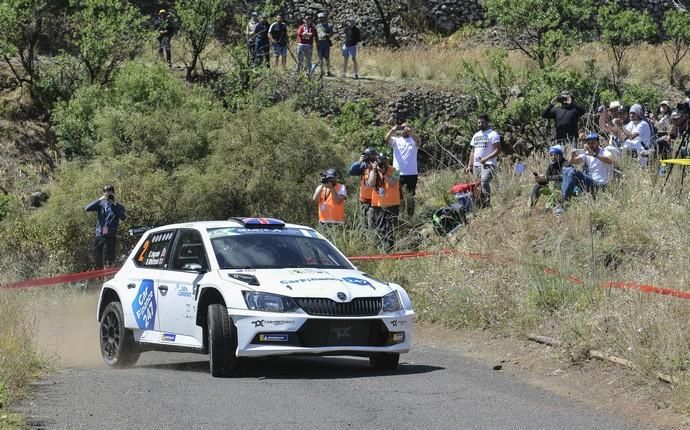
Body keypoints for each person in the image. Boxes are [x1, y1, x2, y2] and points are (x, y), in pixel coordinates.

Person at [556, 133, 614, 213]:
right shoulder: (587, 154)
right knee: (568, 170)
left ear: (598, 143)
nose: (591, 145)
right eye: (589, 143)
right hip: (593, 183)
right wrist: (573, 155)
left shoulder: (605, 152)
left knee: (574, 172)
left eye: (593, 143)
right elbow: (572, 161)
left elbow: (610, 160)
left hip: (602, 185)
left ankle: (564, 202)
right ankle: (563, 201)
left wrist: (594, 155)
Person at [85, 185, 126, 268]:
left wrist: (114, 205)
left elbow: (123, 217)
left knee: (109, 260)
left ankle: (108, 277)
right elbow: (87, 208)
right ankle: (99, 279)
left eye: (110, 192)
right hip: (100, 236)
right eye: (106, 192)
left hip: (110, 236)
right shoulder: (101, 204)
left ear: (114, 193)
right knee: (97, 259)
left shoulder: (118, 206)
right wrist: (101, 198)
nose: (108, 194)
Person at [386, 122, 422, 217]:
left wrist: (411, 133)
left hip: (411, 172)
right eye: (402, 128)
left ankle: (410, 216)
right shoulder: (396, 140)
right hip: (396, 172)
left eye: (406, 128)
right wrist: (392, 130)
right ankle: (400, 216)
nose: (404, 130)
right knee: (398, 196)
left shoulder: (413, 140)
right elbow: (386, 139)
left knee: (410, 196)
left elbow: (418, 141)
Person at [465, 114, 501, 208]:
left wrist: (486, 159)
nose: (480, 124)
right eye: (479, 122)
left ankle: (487, 204)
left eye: (482, 122)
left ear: (487, 123)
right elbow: (472, 151)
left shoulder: (493, 134)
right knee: (477, 185)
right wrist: (469, 165)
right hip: (476, 165)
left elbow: (498, 150)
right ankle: (481, 205)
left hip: (488, 164)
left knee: (484, 181)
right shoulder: (476, 135)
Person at [367, 153, 400, 252]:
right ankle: (380, 250)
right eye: (380, 162)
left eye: (384, 162)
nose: (382, 164)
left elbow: (393, 182)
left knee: (390, 230)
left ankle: (389, 251)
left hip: (392, 205)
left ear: (387, 161)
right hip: (378, 205)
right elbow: (370, 184)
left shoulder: (395, 170)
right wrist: (374, 170)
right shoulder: (373, 171)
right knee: (379, 229)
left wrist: (384, 173)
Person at [348, 147, 377, 226]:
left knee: (372, 224)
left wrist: (374, 167)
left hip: (374, 201)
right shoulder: (363, 166)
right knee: (363, 224)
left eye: (370, 155)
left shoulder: (377, 166)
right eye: (367, 155)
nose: (368, 157)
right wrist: (359, 162)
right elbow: (351, 172)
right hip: (363, 200)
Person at [315, 12, 334, 77]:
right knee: (320, 58)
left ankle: (328, 71)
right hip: (319, 43)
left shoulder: (329, 25)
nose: (321, 19)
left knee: (327, 58)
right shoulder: (317, 26)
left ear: (324, 18)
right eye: (319, 18)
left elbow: (331, 33)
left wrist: (327, 35)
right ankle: (321, 71)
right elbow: (315, 36)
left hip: (326, 43)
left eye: (322, 18)